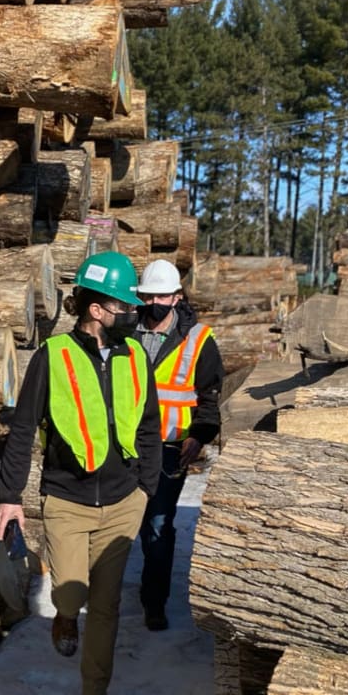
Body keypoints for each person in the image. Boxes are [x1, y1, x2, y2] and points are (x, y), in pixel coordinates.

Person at [0, 252, 162, 695]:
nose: (133, 312)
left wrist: (145, 489)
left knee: (106, 607)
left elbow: (149, 429)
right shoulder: (54, 356)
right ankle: (64, 617)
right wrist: (10, 497)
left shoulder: (135, 358)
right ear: (95, 309)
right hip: (67, 502)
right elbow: (23, 430)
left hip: (123, 503)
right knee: (71, 594)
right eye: (123, 305)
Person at [133, 259, 223, 632]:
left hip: (172, 448)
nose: (155, 302)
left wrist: (199, 435)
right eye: (149, 295)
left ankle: (155, 603)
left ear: (177, 297)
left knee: (158, 524)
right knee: (119, 523)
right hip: (126, 446)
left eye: (162, 295)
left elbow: (210, 393)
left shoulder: (199, 339)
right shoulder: (126, 330)